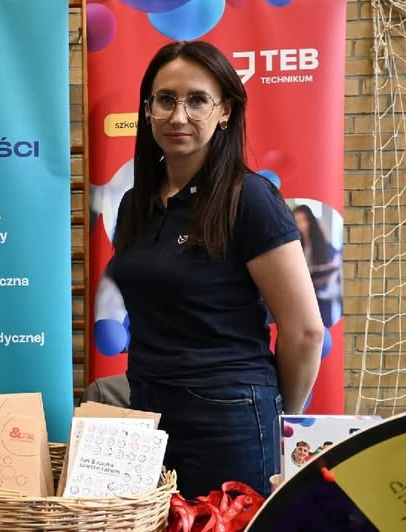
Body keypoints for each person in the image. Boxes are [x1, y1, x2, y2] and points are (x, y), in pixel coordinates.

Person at [108, 41, 324, 499]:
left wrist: (275, 415)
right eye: (166, 99)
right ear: (147, 110)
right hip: (146, 414)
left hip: (230, 420)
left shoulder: (250, 198)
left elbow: (305, 331)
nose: (178, 116)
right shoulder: (135, 204)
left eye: (197, 100)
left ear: (225, 111)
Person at [292, 204, 341, 327]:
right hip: (301, 302)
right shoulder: (294, 248)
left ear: (311, 221)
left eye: (304, 220)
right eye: (297, 222)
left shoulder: (326, 247)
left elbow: (336, 272)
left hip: (322, 301)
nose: (302, 225)